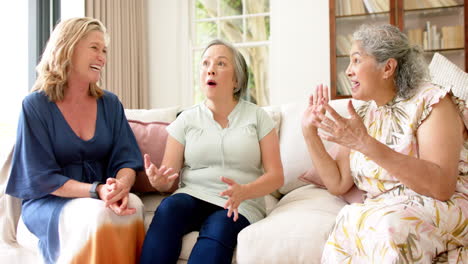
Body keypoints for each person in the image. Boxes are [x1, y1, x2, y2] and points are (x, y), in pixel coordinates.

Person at [302, 24, 467, 263]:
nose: (348, 71)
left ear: (388, 67)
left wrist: (365, 144)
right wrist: (309, 131)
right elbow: (338, 183)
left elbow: (441, 186)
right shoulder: (365, 112)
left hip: (438, 206)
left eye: (357, 60)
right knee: (347, 224)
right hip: (383, 211)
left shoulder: (432, 101)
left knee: (388, 227)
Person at [6, 17, 145, 264]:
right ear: (68, 47)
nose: (102, 57)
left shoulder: (110, 104)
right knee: (98, 214)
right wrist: (96, 190)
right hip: (50, 201)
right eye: (94, 47)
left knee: (132, 205)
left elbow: (127, 159)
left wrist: (120, 187)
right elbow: (41, 178)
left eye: (104, 50)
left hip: (101, 195)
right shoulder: (35, 106)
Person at [140, 39, 284, 264]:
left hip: (239, 202)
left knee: (219, 226)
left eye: (221, 63)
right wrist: (159, 182)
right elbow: (167, 180)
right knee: (169, 208)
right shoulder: (186, 119)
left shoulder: (258, 117)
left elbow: (276, 176)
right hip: (194, 194)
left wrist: (245, 191)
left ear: (236, 79)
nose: (211, 69)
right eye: (205, 63)